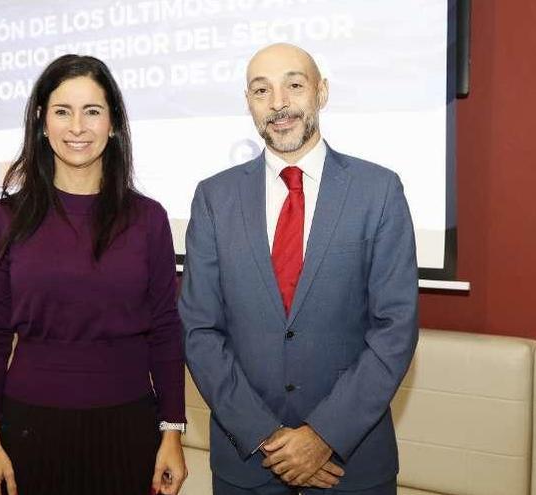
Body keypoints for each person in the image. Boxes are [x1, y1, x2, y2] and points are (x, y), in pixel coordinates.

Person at [179, 43, 419, 494]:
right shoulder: (214, 198)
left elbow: (395, 328)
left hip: (350, 466)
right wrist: (266, 437)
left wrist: (324, 435)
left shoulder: (379, 191)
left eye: (294, 84)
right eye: (261, 90)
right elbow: (199, 330)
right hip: (248, 464)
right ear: (248, 103)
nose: (278, 103)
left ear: (321, 92)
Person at [0, 54, 187, 495]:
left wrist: (172, 433)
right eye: (62, 111)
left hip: (128, 428)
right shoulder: (5, 219)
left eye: (92, 111)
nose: (77, 127)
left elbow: (165, 331)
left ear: (114, 123)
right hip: (30, 429)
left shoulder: (148, 219)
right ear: (41, 122)